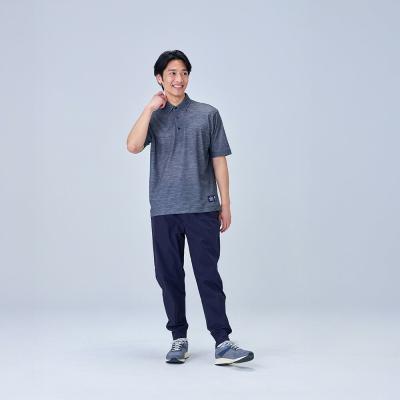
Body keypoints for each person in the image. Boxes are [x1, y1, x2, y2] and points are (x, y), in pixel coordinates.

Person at [126, 50, 254, 366]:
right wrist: (148, 108)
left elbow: (219, 161)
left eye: (183, 73)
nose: (178, 79)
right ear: (159, 78)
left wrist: (226, 204)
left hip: (202, 207)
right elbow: (132, 146)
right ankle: (178, 338)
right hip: (164, 208)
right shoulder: (154, 117)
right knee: (169, 275)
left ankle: (222, 342)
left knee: (208, 275)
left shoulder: (208, 114)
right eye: (172, 73)